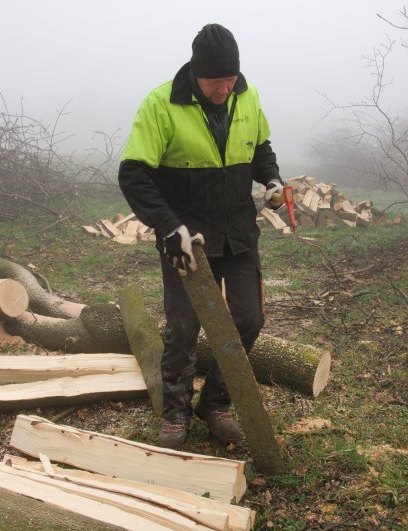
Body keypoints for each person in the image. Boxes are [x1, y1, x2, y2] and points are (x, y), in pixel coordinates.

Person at [118, 23, 284, 450]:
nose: (224, 89)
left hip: (239, 233)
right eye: (215, 81)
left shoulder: (246, 95)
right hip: (186, 241)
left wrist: (272, 180)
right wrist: (168, 227)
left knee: (250, 318)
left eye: (230, 79)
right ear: (196, 72)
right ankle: (175, 413)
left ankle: (214, 403)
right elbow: (134, 174)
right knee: (184, 326)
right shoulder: (161, 103)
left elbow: (260, 148)